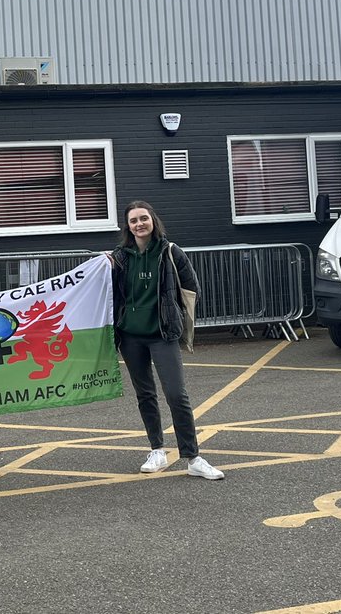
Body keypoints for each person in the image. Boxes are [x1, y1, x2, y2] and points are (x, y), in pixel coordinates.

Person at [109, 201, 225, 480]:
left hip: (162, 334)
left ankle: (193, 457)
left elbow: (191, 287)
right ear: (128, 226)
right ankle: (157, 449)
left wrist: (174, 314)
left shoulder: (170, 252)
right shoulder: (119, 257)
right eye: (134, 220)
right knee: (145, 395)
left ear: (153, 220)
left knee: (176, 394)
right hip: (130, 336)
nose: (139, 224)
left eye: (143, 218)